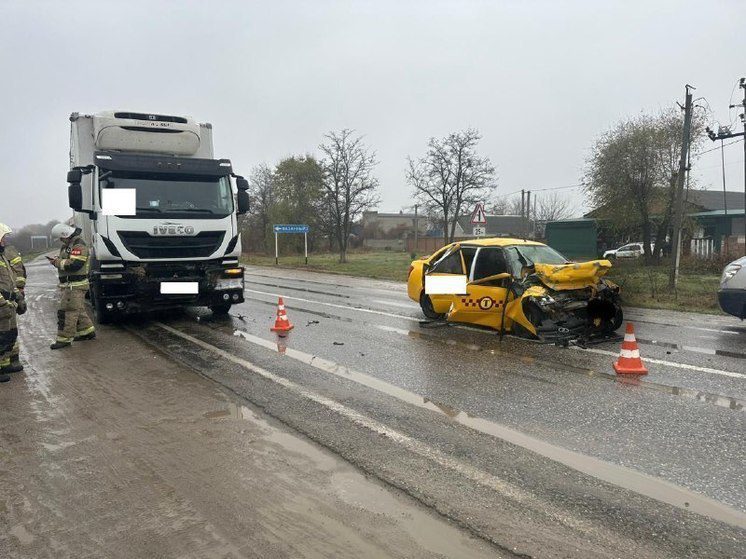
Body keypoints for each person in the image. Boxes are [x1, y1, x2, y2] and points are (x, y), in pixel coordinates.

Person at [49, 223, 95, 350]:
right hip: (71, 285)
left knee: (67, 311)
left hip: (74, 285)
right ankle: (87, 332)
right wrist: (59, 260)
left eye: (61, 238)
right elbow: (69, 260)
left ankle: (64, 339)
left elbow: (75, 264)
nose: (60, 240)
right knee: (77, 309)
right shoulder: (69, 245)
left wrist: (57, 262)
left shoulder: (78, 245)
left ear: (65, 234)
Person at [0, 223, 22, 382]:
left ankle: (5, 364)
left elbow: (10, 280)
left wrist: (19, 297)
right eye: (3, 237)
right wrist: (2, 303)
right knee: (1, 336)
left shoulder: (2, 256)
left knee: (10, 334)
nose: (5, 240)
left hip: (8, 304)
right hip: (2, 305)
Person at [3, 235, 27, 372]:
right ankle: (7, 360)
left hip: (10, 295)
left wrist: (19, 293)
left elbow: (19, 271)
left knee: (10, 328)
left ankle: (12, 358)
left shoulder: (8, 251)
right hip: (7, 295)